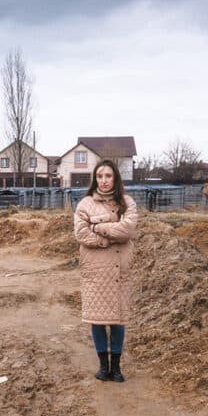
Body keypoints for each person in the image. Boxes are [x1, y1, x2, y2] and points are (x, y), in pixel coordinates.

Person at [73, 160, 138, 382]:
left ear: (115, 178)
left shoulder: (127, 202)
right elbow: (81, 234)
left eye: (108, 176)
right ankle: (103, 367)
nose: (104, 180)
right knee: (98, 319)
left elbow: (127, 230)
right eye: (100, 176)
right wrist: (107, 240)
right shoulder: (85, 204)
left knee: (118, 320)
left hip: (119, 271)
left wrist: (98, 227)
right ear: (95, 179)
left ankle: (116, 368)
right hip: (96, 270)